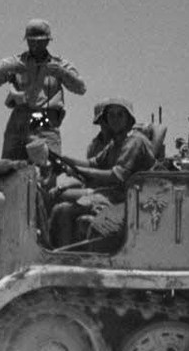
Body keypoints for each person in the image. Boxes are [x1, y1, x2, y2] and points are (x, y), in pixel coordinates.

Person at [49, 99, 155, 247]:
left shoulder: (135, 141)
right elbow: (94, 163)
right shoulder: (116, 142)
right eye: (111, 115)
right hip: (112, 196)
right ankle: (63, 259)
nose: (115, 119)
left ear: (129, 119)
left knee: (93, 225)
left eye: (120, 115)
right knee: (61, 211)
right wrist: (66, 159)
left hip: (130, 200)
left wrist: (79, 170)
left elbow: (117, 176)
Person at [0, 19, 86, 160]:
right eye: (32, 41)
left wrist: (62, 72)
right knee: (10, 167)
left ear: (48, 41)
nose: (36, 45)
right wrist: (7, 69)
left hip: (42, 116)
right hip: (20, 117)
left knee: (46, 166)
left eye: (40, 41)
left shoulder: (58, 64)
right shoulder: (15, 62)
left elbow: (81, 88)